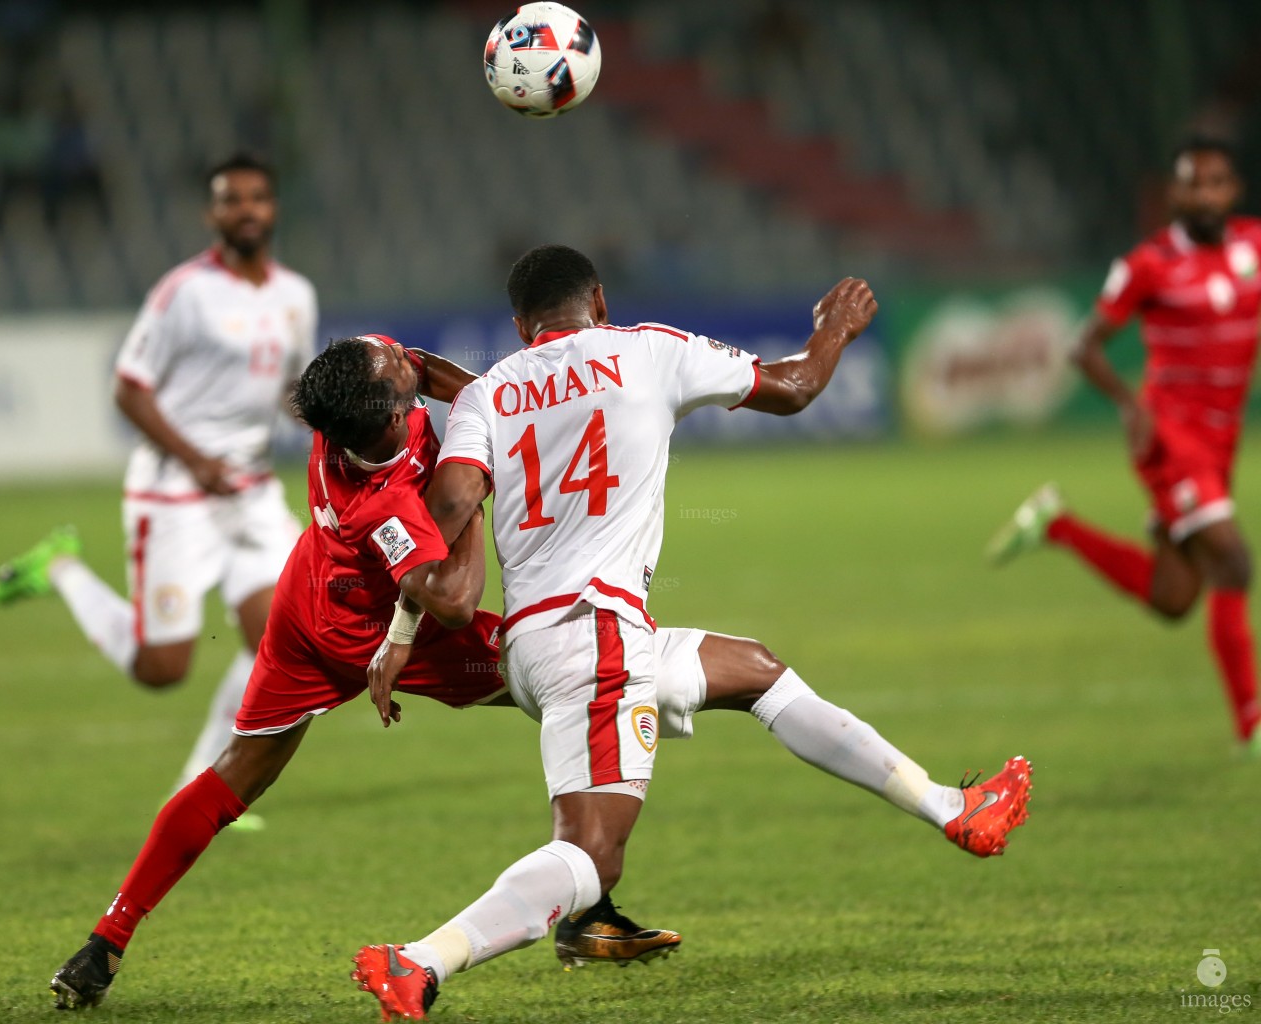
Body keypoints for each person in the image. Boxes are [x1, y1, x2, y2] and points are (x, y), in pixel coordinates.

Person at [351, 245, 1035, 1022]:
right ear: (599, 302)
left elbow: (447, 513)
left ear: (519, 324)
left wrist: (401, 629)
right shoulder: (647, 350)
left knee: (756, 671)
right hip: (596, 637)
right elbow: (798, 387)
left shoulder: (488, 396)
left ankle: (952, 806)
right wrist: (835, 329)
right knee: (589, 851)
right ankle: (420, 961)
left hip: (533, 647)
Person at [46, 336, 520, 1010]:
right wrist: (473, 488)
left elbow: (427, 369)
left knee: (238, 768)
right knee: (564, 675)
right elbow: (450, 600)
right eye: (398, 372)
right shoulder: (379, 504)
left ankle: (107, 938)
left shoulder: (356, 388)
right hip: (362, 628)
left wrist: (499, 402)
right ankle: (586, 891)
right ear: (391, 418)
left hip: (307, 592)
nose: (405, 362)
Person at [0, 153, 316, 807]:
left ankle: (209, 782)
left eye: (257, 197)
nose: (246, 209)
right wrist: (197, 459)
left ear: (274, 208)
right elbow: (130, 389)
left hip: (250, 493)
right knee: (162, 669)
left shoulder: (295, 295)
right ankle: (61, 568)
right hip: (176, 494)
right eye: (231, 199)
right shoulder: (184, 292)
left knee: (289, 637)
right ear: (212, 214)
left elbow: (292, 391)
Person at [987, 138, 1261, 754]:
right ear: (1176, 194)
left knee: (1175, 597)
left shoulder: (1254, 246)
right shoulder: (1150, 263)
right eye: (1194, 183)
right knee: (1235, 561)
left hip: (1222, 440)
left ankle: (1057, 525)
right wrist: (1130, 405)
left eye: (1217, 182)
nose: (1207, 194)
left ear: (1234, 190)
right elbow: (1084, 345)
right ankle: (1253, 724)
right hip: (1170, 437)